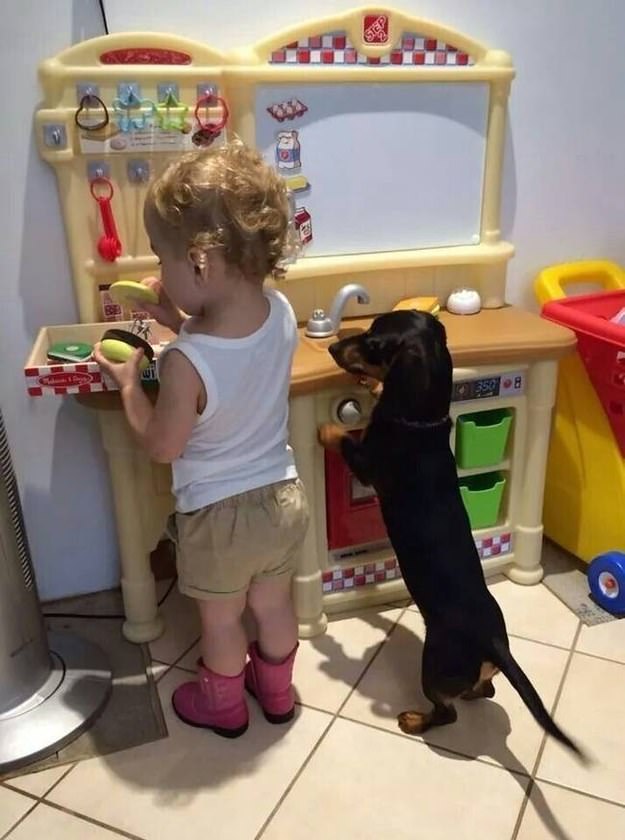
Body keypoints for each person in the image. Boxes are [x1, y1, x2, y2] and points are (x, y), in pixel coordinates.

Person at [94, 140, 309, 738]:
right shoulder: (282, 311)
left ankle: (225, 707)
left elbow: (163, 445)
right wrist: (179, 316)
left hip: (220, 517)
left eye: (163, 259)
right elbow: (236, 348)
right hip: (282, 500)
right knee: (272, 606)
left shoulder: (186, 363)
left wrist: (130, 385)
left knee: (221, 622)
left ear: (201, 266)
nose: (159, 272)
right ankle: (277, 692)